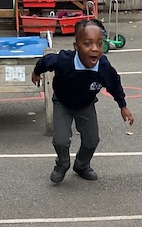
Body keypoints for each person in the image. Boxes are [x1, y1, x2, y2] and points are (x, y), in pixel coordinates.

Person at [31, 18, 134, 184]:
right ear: (76, 46)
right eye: (87, 44)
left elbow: (114, 84)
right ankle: (62, 163)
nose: (95, 49)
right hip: (63, 103)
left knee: (92, 141)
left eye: (99, 43)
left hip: (86, 104)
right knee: (61, 140)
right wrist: (36, 72)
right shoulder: (64, 61)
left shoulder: (103, 67)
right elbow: (46, 61)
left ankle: (81, 165)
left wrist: (123, 106)